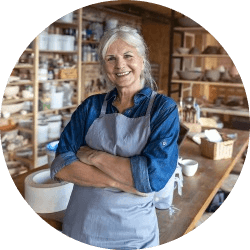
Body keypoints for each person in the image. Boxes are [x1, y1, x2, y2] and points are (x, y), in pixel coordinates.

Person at [51, 26, 179, 249]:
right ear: (104, 66)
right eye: (111, 58)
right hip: (81, 228)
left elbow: (151, 179)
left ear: (142, 59)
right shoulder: (91, 107)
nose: (120, 65)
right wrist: (121, 183)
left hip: (133, 236)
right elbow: (62, 164)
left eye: (128, 55)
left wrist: (95, 158)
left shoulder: (163, 109)